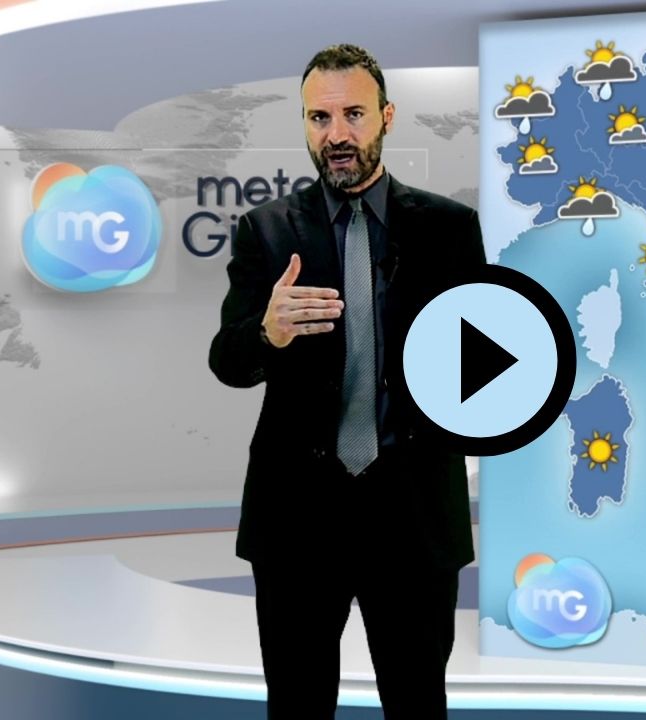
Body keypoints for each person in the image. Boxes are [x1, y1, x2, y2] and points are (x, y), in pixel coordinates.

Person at [207, 44, 483, 718]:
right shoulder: (265, 231)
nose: (337, 134)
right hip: (298, 521)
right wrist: (266, 333)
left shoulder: (449, 230)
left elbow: (477, 362)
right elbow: (228, 360)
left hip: (413, 516)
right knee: (297, 707)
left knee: (418, 705)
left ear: (386, 116)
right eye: (319, 118)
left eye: (353, 114)